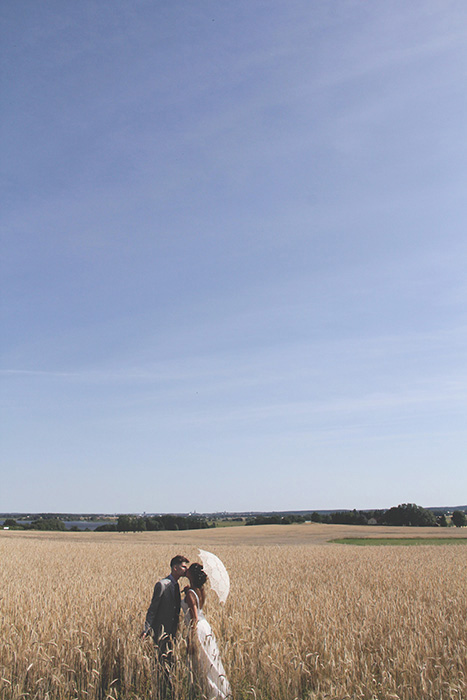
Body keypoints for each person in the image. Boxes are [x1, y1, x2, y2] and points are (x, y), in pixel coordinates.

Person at [182, 562, 231, 699]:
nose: (187, 571)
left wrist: (191, 638)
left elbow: (194, 617)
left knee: (202, 662)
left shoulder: (191, 593)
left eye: (189, 570)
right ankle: (220, 691)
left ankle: (211, 693)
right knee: (210, 661)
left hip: (197, 628)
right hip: (205, 627)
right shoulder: (199, 590)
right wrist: (188, 592)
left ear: (192, 575)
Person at [142, 554, 189, 673]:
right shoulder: (162, 585)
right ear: (175, 568)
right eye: (183, 567)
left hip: (172, 631)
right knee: (160, 662)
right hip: (160, 630)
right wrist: (146, 629)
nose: (186, 570)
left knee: (169, 661)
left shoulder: (176, 585)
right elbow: (153, 608)